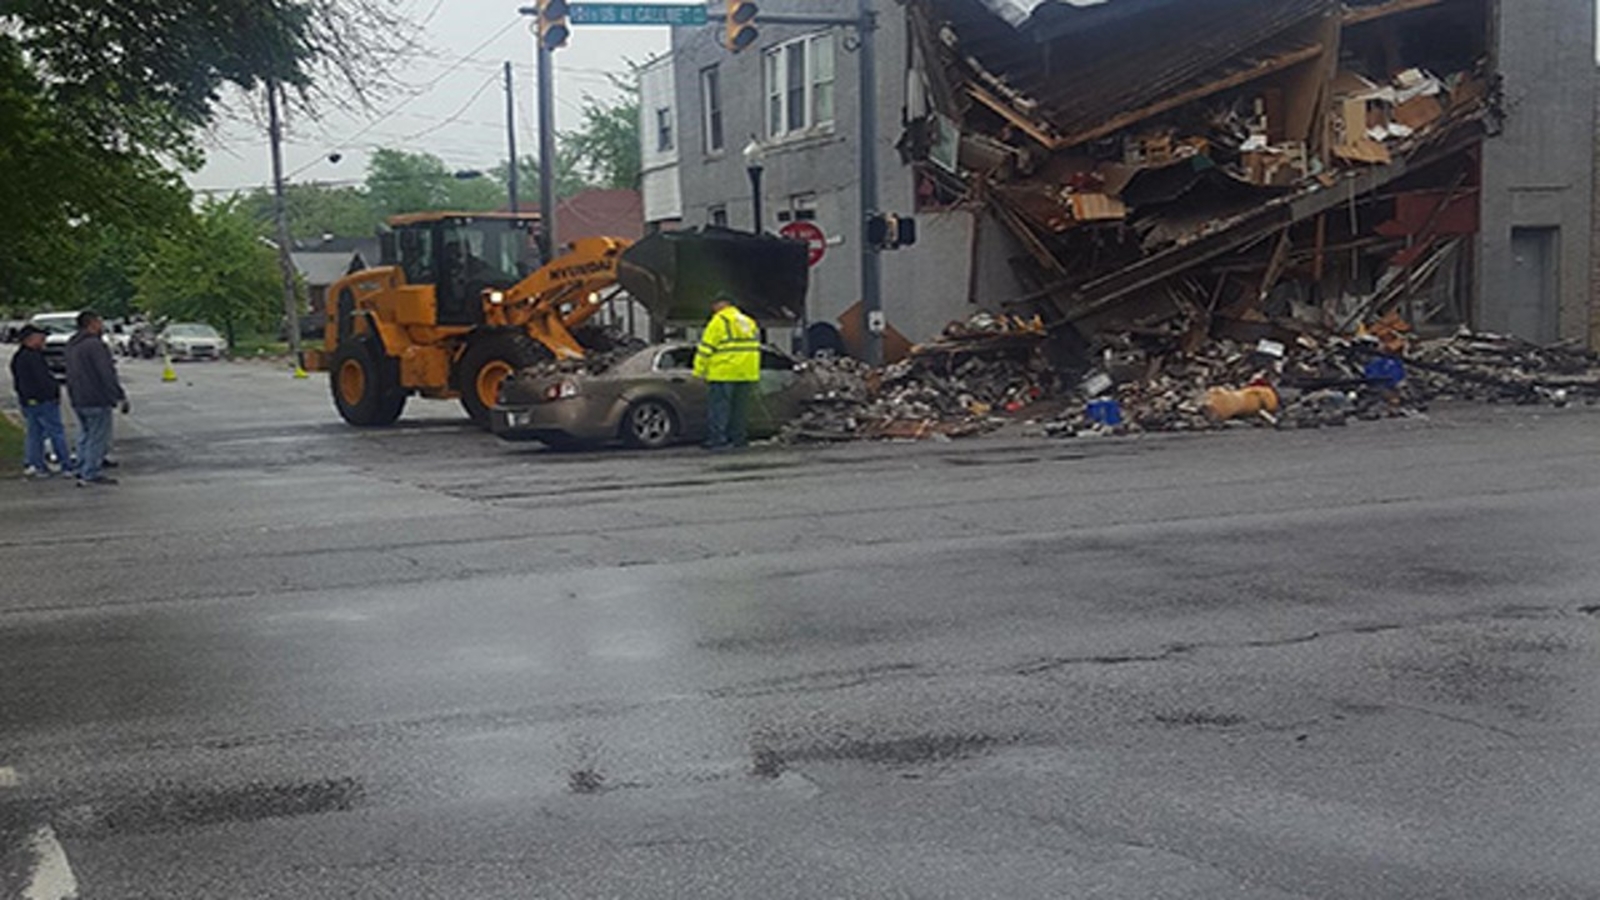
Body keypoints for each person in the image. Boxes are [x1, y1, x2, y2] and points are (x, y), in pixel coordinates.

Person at [64, 310, 128, 487]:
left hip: (78, 396)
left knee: (85, 434)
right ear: (92, 324)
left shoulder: (72, 344)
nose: (102, 325)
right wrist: (118, 394)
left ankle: (81, 467)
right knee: (98, 437)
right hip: (96, 396)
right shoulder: (95, 345)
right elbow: (106, 372)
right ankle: (91, 472)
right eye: (99, 322)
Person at [693, 294, 761, 451]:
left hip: (723, 371)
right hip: (746, 372)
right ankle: (739, 438)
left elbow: (706, 349)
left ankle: (718, 439)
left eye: (714, 305)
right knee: (740, 408)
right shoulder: (748, 321)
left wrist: (699, 371)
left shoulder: (719, 321)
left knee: (720, 408)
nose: (713, 309)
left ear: (721, 304)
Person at [9, 324, 73, 478]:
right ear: (30, 339)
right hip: (43, 400)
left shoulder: (20, 357)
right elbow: (42, 380)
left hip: (29, 401)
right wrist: (53, 393)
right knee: (55, 432)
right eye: (41, 338)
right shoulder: (32, 357)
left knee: (35, 433)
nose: (44, 341)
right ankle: (66, 465)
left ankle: (36, 464)